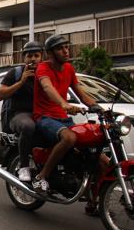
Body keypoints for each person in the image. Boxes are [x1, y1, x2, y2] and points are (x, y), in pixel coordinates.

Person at [32, 35, 107, 212]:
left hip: (63, 118)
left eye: (67, 47)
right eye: (61, 48)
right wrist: (63, 103)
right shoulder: (43, 68)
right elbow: (47, 87)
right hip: (44, 117)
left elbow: (81, 93)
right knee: (69, 138)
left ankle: (93, 201)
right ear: (50, 53)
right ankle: (42, 177)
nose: (66, 51)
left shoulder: (69, 69)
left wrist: (98, 107)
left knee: (102, 160)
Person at [0, 41, 44, 181]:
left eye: (36, 55)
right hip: (18, 115)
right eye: (29, 56)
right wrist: (21, 82)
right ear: (24, 58)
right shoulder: (16, 73)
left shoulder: (45, 73)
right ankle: (24, 167)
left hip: (40, 114)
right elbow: (1, 94)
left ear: (42, 57)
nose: (33, 59)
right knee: (28, 126)